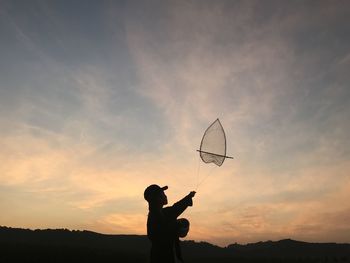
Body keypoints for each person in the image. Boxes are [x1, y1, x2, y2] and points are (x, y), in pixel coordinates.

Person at [144, 184, 196, 263]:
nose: (165, 196)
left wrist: (189, 197)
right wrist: (178, 225)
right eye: (163, 194)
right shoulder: (156, 216)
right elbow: (174, 211)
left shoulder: (158, 213)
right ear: (157, 198)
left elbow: (174, 209)